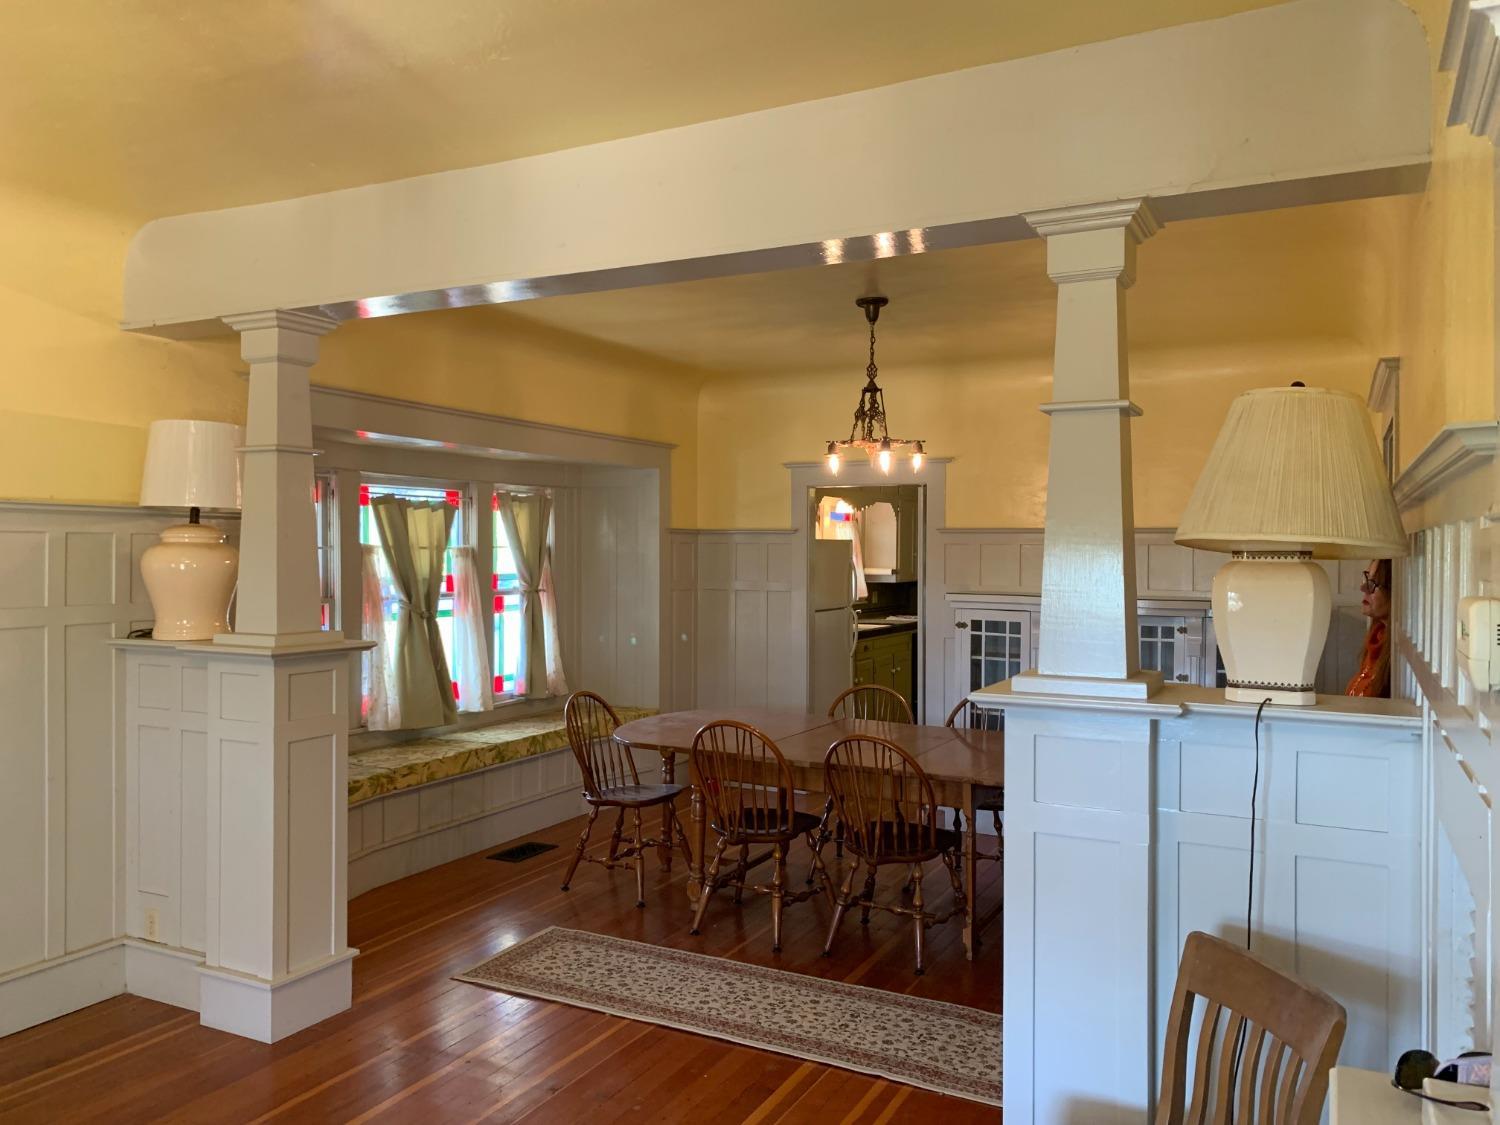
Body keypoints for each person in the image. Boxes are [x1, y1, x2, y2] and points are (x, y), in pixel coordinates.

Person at [1346, 558, 1391, 697]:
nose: (1363, 587)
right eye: (1367, 578)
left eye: (1373, 583)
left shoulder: (1396, 654)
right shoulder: (1376, 637)